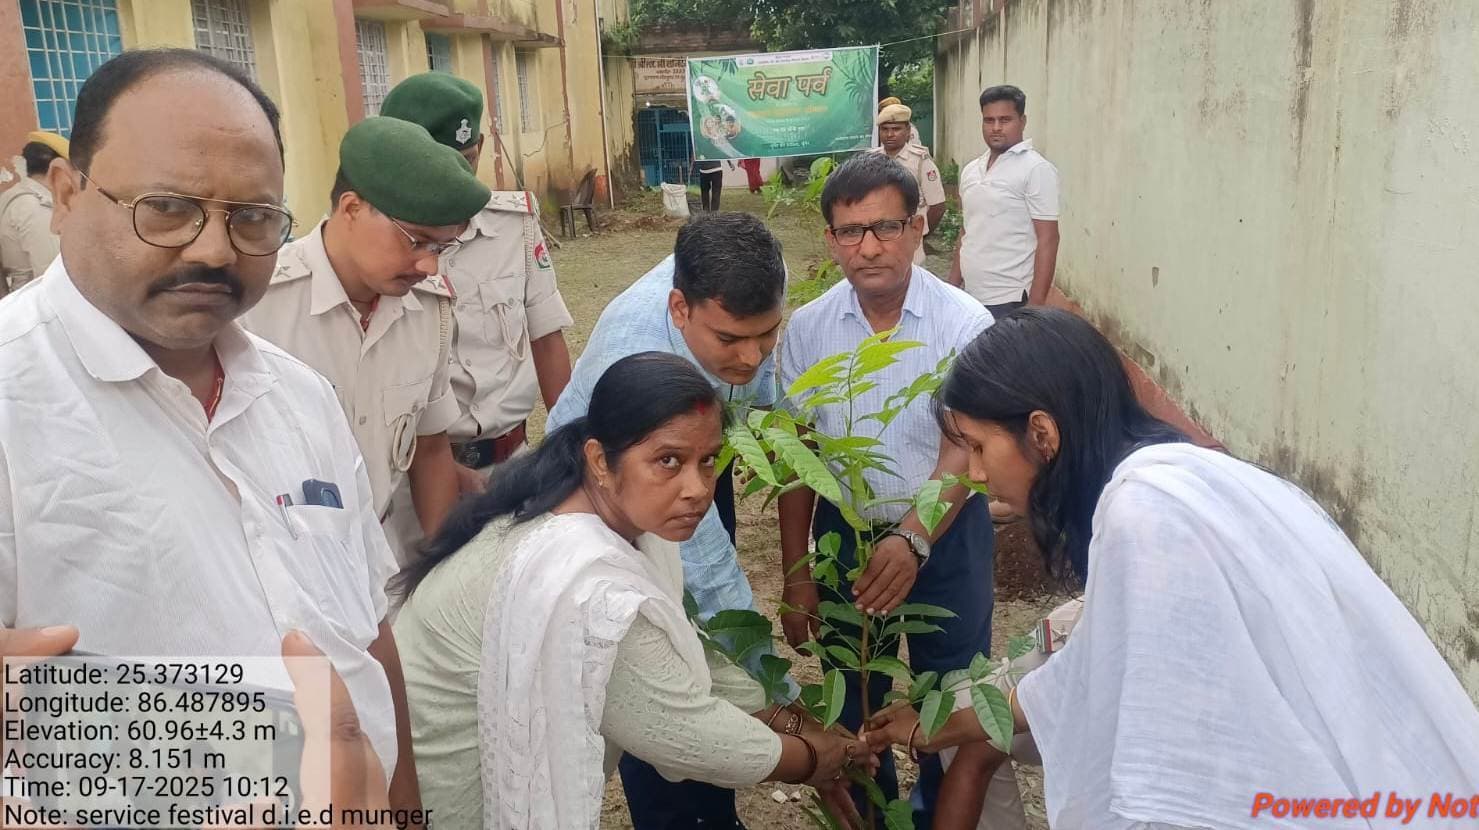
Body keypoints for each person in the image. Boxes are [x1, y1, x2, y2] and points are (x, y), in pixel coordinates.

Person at [0, 48, 420, 816]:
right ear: (65, 194)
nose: (214, 249)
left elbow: (366, 634)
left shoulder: (300, 397)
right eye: (166, 206)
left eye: (253, 218)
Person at [865, 307, 1479, 829]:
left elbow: (1169, 754)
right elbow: (1086, 670)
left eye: (977, 446)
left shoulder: (1144, 516)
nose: (973, 473)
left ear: (1042, 434)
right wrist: (944, 726)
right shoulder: (1173, 473)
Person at [393, 352, 870, 828]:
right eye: (668, 460)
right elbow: (687, 732)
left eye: (708, 461)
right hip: (442, 794)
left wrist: (796, 723)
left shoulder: (610, 517)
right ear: (600, 460)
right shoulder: (583, 583)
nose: (698, 489)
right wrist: (815, 760)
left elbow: (680, 657)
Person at [545, 212, 787, 828]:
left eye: (768, 334)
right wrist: (779, 696)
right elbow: (708, 566)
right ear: (680, 309)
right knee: (662, 655)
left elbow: (776, 397)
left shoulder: (734, 294)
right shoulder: (639, 346)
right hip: (607, 496)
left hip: (679, 451)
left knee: (696, 630)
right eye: (731, 341)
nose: (752, 357)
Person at [777, 152, 996, 827]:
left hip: (948, 534)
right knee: (855, 707)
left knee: (950, 699)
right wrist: (797, 575)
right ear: (830, 241)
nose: (868, 247)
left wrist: (912, 537)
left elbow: (967, 446)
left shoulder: (965, 326)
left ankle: (940, 815)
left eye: (885, 227)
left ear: (919, 225)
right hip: (844, 540)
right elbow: (795, 455)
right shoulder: (809, 329)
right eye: (850, 232)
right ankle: (866, 816)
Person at [241, 116, 491, 563]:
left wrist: (437, 569)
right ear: (352, 208)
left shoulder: (428, 311)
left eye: (440, 249)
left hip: (382, 561)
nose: (429, 268)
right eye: (417, 242)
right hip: (275, 569)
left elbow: (430, 447)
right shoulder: (255, 305)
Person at [377, 72, 575, 558]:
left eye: (466, 162)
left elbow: (547, 340)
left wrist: (574, 447)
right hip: (411, 481)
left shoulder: (514, 224)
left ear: (481, 146)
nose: (456, 181)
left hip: (512, 465)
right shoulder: (378, 245)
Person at [949, 85, 1060, 317]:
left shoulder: (1035, 169)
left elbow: (1048, 238)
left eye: (1005, 120)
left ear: (1022, 120)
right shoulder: (971, 170)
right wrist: (951, 287)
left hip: (1010, 299)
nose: (996, 128)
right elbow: (967, 230)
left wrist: (1036, 306)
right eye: (989, 120)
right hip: (970, 297)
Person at [868, 103, 946, 265]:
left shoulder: (920, 161)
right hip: (877, 235)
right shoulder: (871, 159)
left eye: (896, 129)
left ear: (908, 131)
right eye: (885, 129)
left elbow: (937, 205)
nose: (890, 134)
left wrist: (920, 234)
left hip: (909, 237)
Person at [0, 131, 67, 295]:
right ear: (57, 170)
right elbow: (52, 275)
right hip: (34, 306)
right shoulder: (36, 207)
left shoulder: (12, 195)